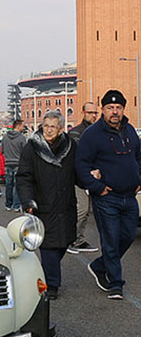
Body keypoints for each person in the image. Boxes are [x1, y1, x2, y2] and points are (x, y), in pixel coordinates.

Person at [75, 90, 141, 300]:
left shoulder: (130, 131)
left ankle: (99, 265)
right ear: (102, 109)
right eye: (110, 108)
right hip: (107, 198)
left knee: (128, 236)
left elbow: (139, 157)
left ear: (123, 109)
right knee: (110, 239)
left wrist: (139, 179)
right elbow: (81, 165)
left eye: (118, 108)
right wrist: (96, 187)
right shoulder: (92, 135)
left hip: (129, 197)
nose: (115, 112)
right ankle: (115, 283)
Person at [17, 110, 77, 300]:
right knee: (49, 245)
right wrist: (27, 200)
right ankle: (51, 284)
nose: (49, 130)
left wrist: (93, 178)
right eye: (46, 126)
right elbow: (24, 176)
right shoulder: (32, 147)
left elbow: (79, 170)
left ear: (60, 129)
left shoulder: (70, 146)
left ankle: (46, 273)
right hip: (43, 203)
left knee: (63, 242)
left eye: (53, 127)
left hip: (66, 203)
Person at [67, 102, 100, 254]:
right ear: (83, 112)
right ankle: (70, 240)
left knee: (86, 211)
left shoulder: (95, 131)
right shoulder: (76, 133)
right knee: (82, 209)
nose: (93, 115)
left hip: (92, 179)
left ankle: (78, 240)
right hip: (77, 179)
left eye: (95, 113)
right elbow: (76, 158)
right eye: (90, 112)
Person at [2, 120, 26, 211]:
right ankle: (16, 205)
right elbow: (25, 151)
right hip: (18, 163)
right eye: (23, 126)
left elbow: (2, 150)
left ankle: (8, 204)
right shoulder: (21, 138)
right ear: (18, 126)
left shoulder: (5, 137)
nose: (24, 128)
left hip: (7, 163)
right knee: (17, 185)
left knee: (8, 185)